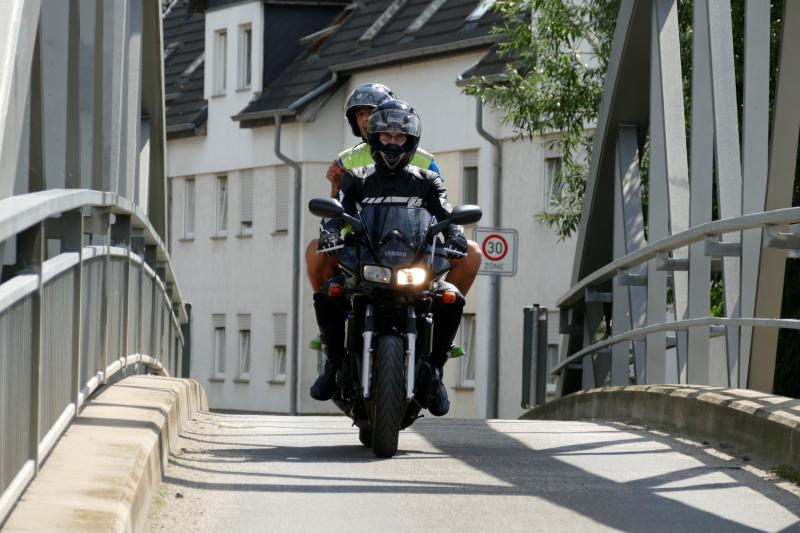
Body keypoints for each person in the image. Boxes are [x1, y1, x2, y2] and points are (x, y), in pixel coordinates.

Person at [310, 99, 468, 417]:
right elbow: (335, 214)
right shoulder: (356, 178)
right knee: (329, 294)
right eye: (387, 136)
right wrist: (329, 233)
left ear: (410, 140)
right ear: (375, 138)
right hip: (366, 264)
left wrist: (455, 236)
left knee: (451, 298)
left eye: (399, 137)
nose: (393, 143)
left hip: (413, 264)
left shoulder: (427, 181)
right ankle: (334, 363)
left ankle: (435, 370)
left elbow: (446, 213)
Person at [305, 83, 481, 297]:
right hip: (362, 246)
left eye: (370, 112)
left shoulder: (426, 167)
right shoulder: (347, 162)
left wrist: (454, 235)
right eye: (360, 114)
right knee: (315, 251)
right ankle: (332, 314)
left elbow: (442, 207)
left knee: (472, 252)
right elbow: (338, 206)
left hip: (415, 247)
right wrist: (331, 230)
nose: (365, 119)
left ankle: (442, 303)